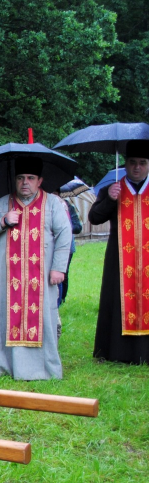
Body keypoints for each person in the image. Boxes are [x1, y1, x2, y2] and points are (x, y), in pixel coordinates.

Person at [0, 158, 72, 380]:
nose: (25, 183)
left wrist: (59, 268)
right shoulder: (3, 203)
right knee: (5, 316)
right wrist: (2, 221)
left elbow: (64, 234)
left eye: (30, 178)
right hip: (7, 278)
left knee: (44, 319)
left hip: (43, 276)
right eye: (20, 178)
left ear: (40, 181)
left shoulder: (52, 204)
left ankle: (44, 368)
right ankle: (6, 364)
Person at [88, 142, 149, 364]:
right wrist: (110, 200)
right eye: (132, 163)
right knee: (117, 301)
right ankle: (116, 352)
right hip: (120, 260)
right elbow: (94, 218)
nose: (137, 168)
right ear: (125, 164)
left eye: (142, 163)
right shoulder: (112, 189)